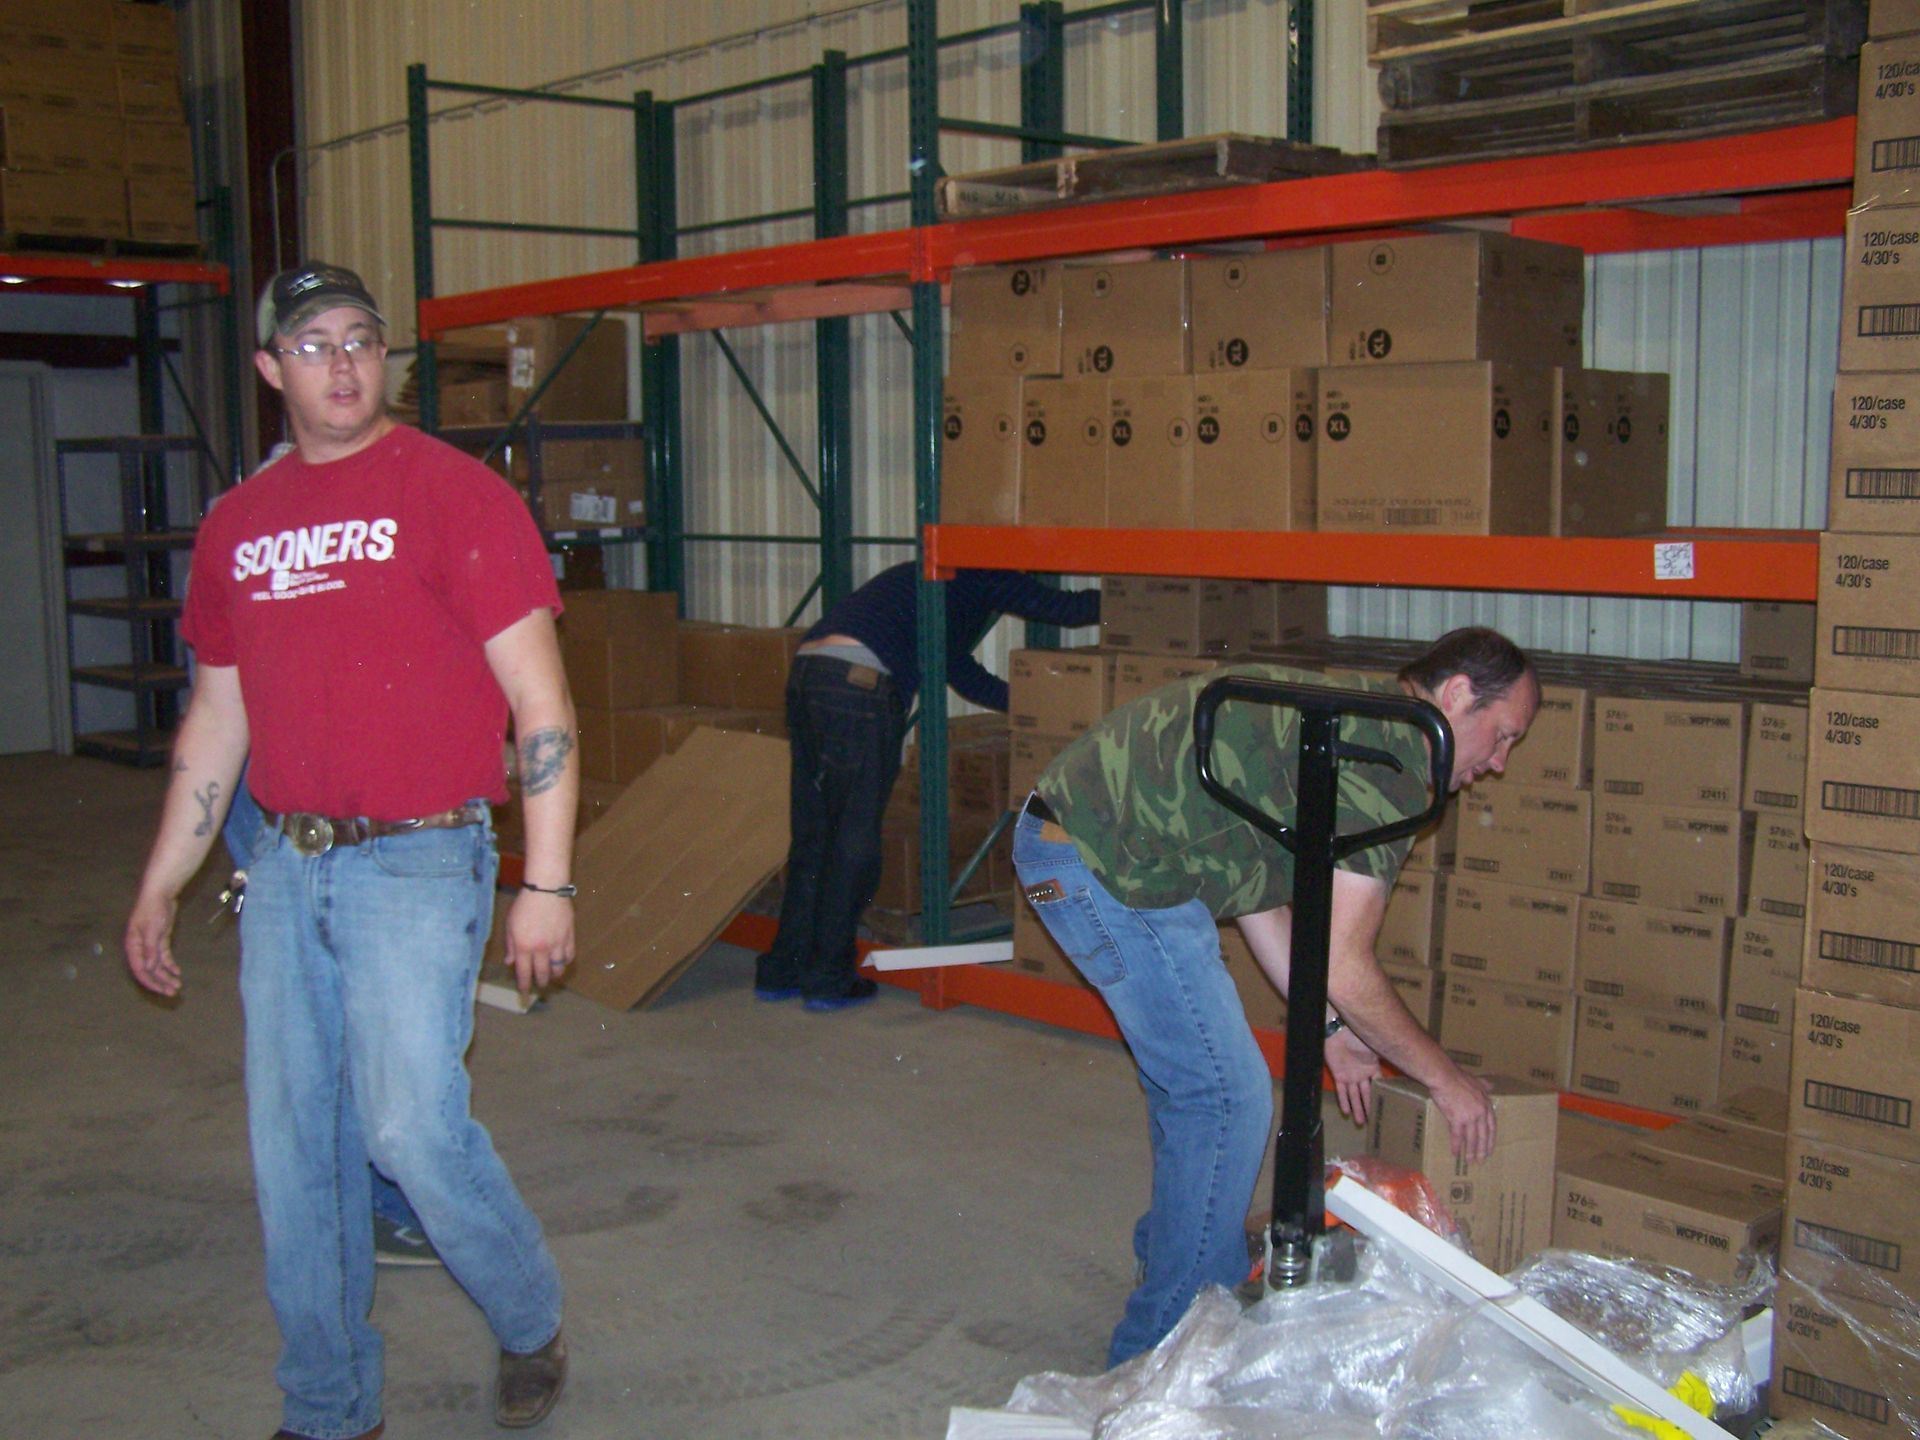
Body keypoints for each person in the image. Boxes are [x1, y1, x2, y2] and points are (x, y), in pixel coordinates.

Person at [125, 262, 574, 1438]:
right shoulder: (237, 526)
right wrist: (163, 879)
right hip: (281, 862)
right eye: (313, 344)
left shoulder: (457, 497)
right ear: (272, 368)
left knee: (408, 1129)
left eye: (362, 340)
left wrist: (547, 882)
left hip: (421, 861)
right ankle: (329, 1408)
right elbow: (217, 717)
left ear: (387, 360)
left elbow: (541, 704)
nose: (341, 362)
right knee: (295, 1151)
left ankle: (528, 1313)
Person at [1013, 626, 1539, 1368]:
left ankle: (1193, 1265)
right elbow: (1346, 964)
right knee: (1226, 1097)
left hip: (1094, 848)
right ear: (1456, 695)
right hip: (1100, 864)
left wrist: (1327, 1026)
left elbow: (1257, 892)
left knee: (1198, 1088)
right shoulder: (1388, 758)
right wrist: (1444, 1079)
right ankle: (1154, 1362)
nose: (1499, 764)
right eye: (1503, 735)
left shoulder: (1342, 723)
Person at [755, 562, 1100, 1010]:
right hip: (859, 684)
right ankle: (827, 978)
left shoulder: (936, 583)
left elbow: (958, 669)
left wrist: (1035, 706)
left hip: (810, 674)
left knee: (815, 835)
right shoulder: (983, 570)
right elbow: (1063, 609)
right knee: (853, 839)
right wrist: (1129, 600)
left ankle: (783, 969)